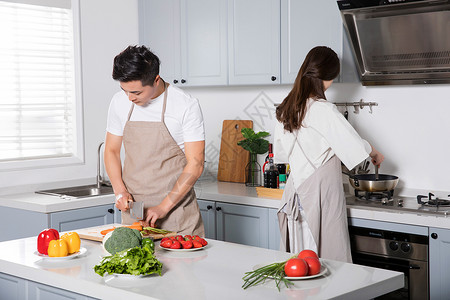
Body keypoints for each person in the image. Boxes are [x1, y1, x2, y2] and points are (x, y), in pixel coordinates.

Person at [274, 46, 384, 262]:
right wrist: (374, 152)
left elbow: (281, 154)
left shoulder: (285, 109)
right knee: (324, 264)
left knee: (301, 264)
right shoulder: (323, 109)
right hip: (319, 197)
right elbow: (353, 145)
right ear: (329, 75)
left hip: (295, 196)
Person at [104, 45, 205, 236]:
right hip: (134, 215)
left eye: (137, 93)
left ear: (156, 80)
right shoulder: (119, 102)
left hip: (177, 215)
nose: (129, 97)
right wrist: (119, 191)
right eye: (124, 90)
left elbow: (196, 164)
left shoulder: (185, 105)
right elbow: (111, 151)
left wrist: (163, 208)